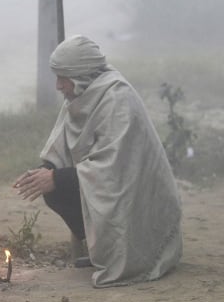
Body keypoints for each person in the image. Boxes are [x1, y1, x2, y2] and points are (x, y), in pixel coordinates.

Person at [13, 35, 182, 287]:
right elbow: (61, 147)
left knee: (60, 184)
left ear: (80, 75)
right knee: (56, 190)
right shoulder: (81, 95)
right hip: (109, 184)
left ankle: (127, 257)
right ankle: (101, 251)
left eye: (63, 78)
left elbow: (115, 170)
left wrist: (57, 178)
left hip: (136, 197)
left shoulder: (117, 97)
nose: (58, 86)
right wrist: (45, 172)